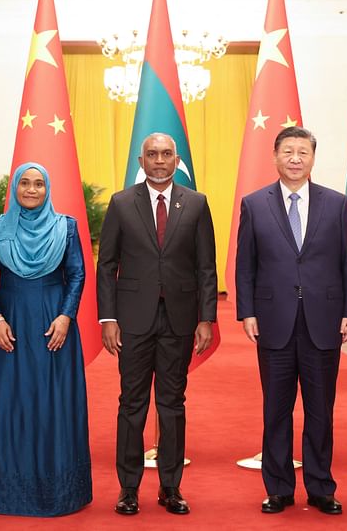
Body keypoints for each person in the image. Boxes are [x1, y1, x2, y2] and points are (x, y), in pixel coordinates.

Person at [235, 126, 347, 516]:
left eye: (302, 152)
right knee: (276, 409)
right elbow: (245, 265)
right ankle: (278, 488)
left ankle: (321, 487)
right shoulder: (254, 204)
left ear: (312, 159)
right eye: (288, 151)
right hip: (274, 320)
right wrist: (247, 311)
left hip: (324, 322)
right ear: (275, 157)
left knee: (321, 410)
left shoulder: (337, 203)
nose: (295, 158)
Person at [97, 132, 218, 516]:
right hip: (132, 320)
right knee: (131, 404)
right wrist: (109, 317)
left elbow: (206, 268)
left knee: (172, 404)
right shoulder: (121, 203)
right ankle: (128, 488)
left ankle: (170, 486)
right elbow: (107, 266)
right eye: (153, 154)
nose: (160, 160)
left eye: (167, 154)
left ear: (177, 159)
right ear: (141, 160)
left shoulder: (196, 204)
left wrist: (206, 319)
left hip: (180, 320)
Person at [0, 162, 92, 516]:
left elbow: (77, 274)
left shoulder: (66, 227)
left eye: (38, 184)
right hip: (8, 325)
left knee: (53, 402)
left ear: (48, 189)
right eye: (24, 183)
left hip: (53, 326)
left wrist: (65, 316)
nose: (30, 189)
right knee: (11, 403)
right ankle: (7, 494)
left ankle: (59, 493)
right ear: (14, 188)